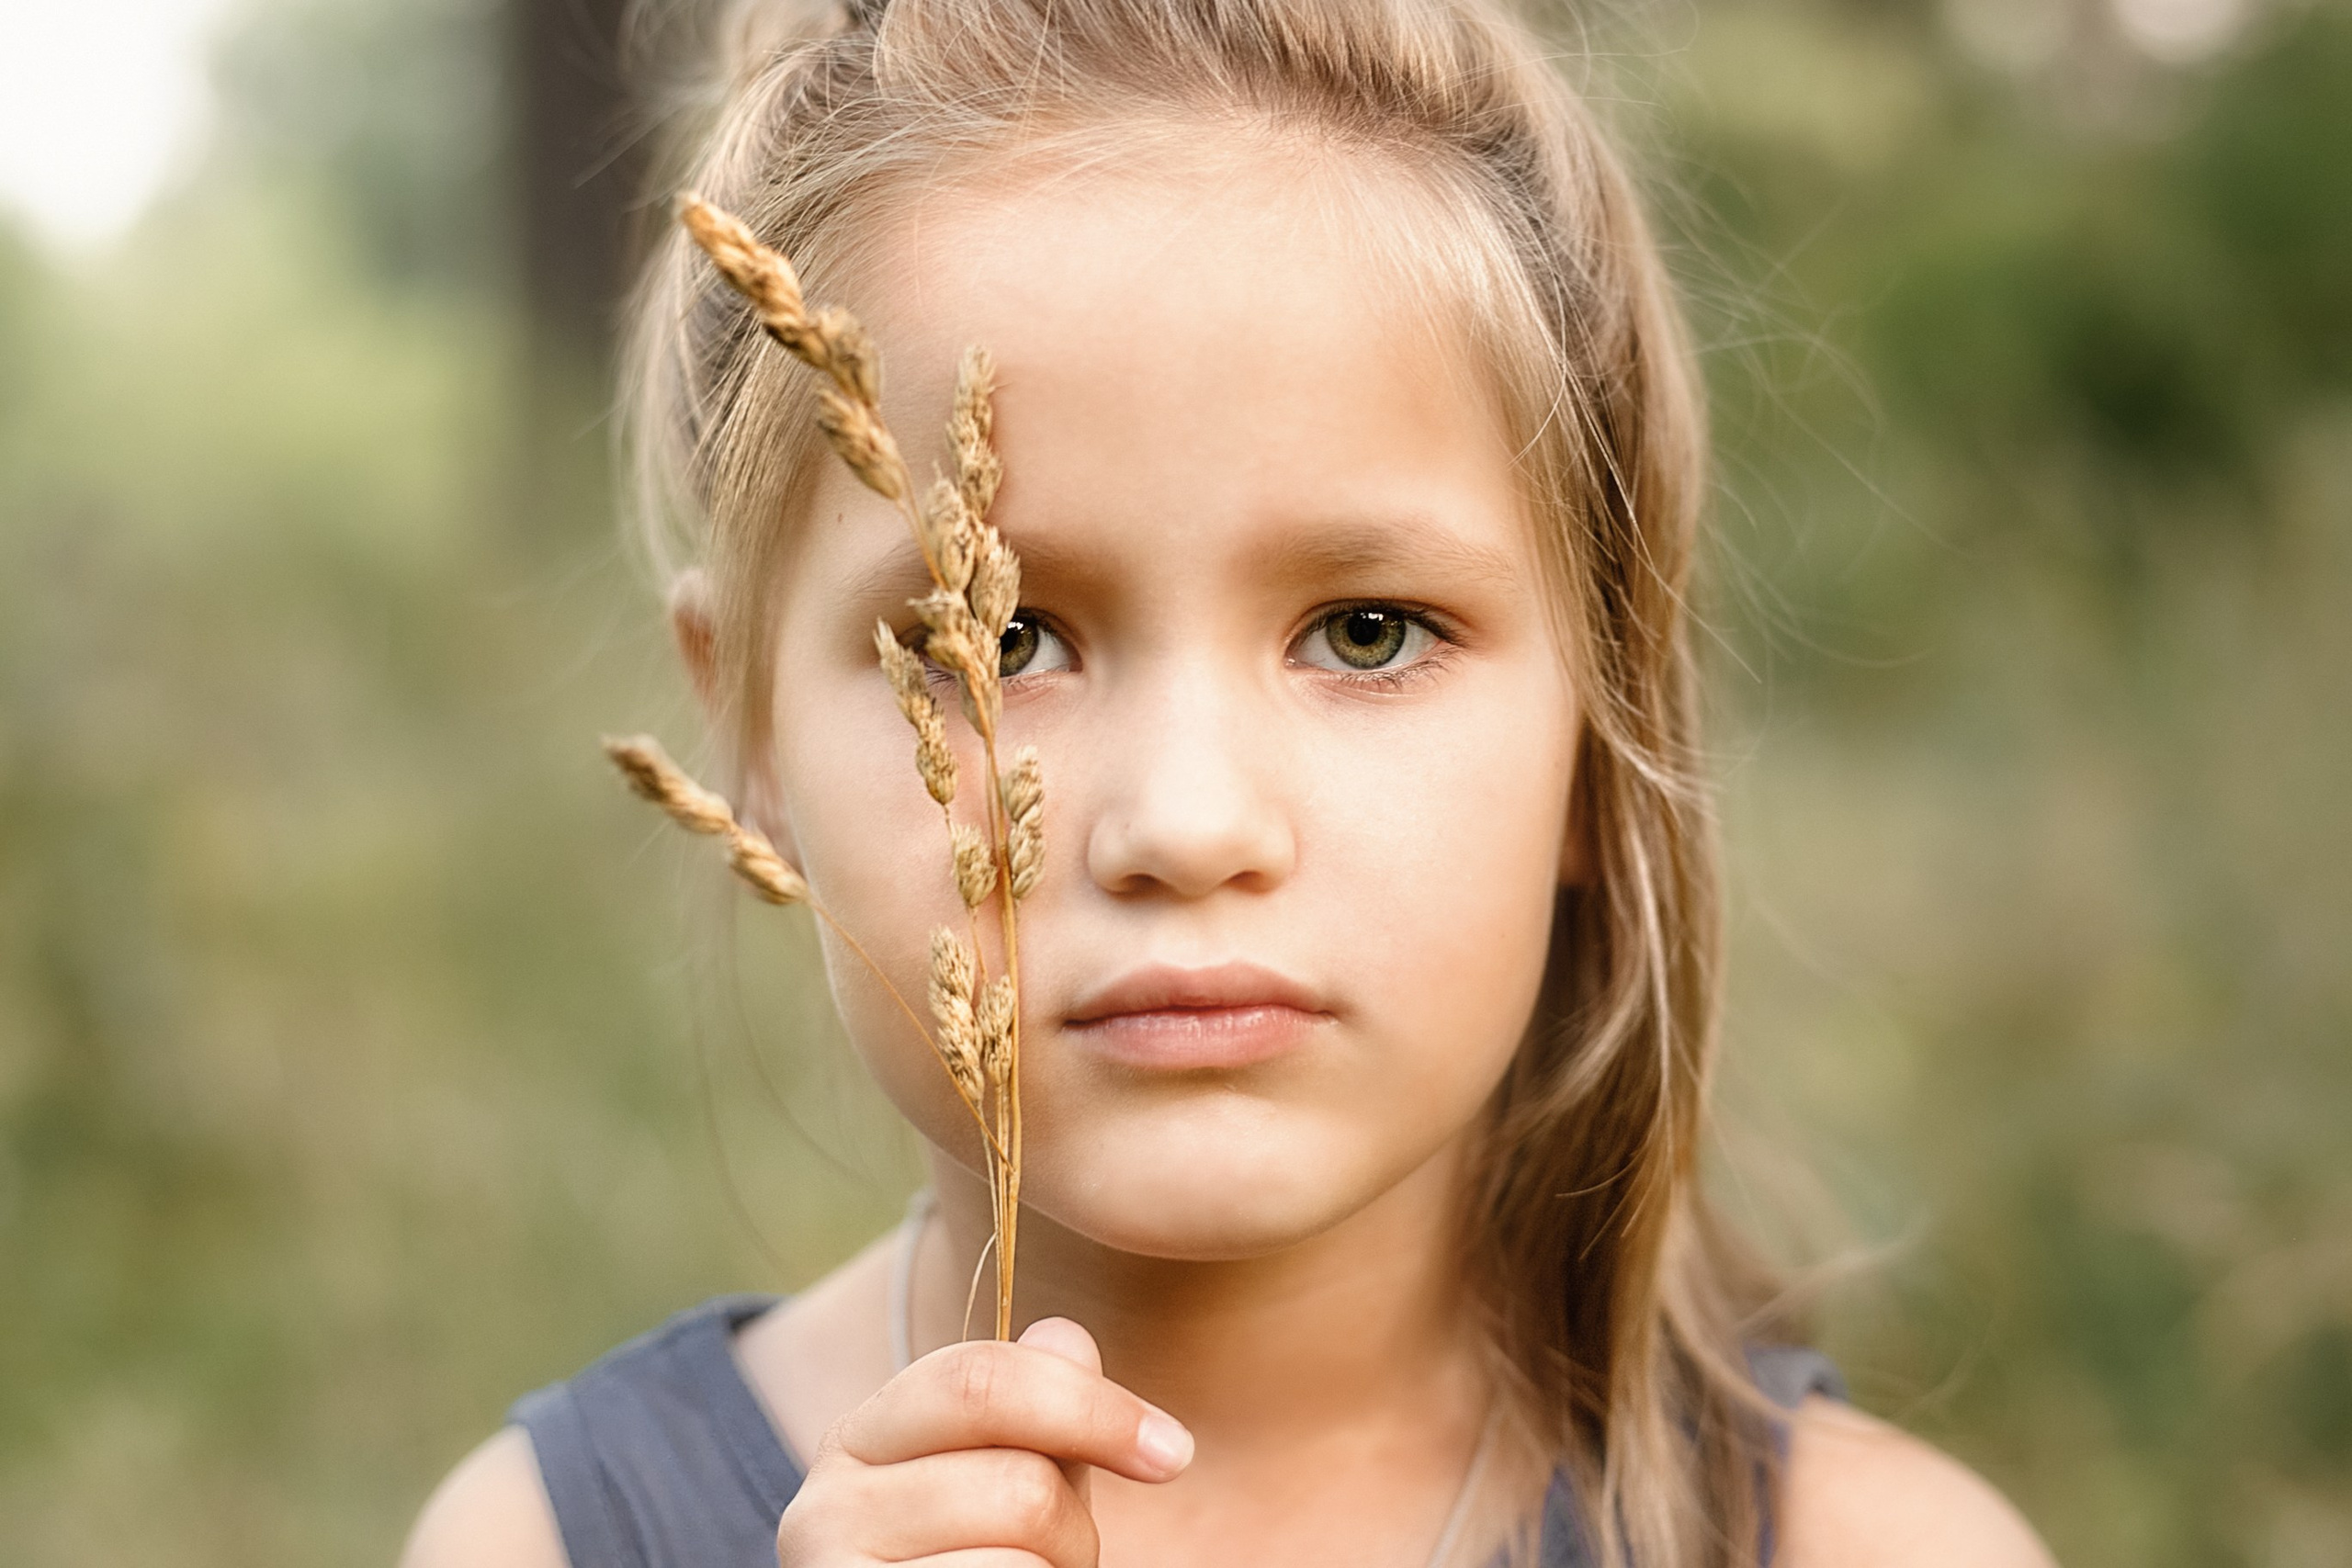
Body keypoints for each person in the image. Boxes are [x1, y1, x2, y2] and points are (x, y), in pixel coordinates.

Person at [402, 1, 2056, 1563]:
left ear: (1596, 740)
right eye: (1011, 638)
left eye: (1364, 632)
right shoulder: (549, 1541)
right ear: (753, 738)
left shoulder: (1880, 1550)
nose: (1186, 826)